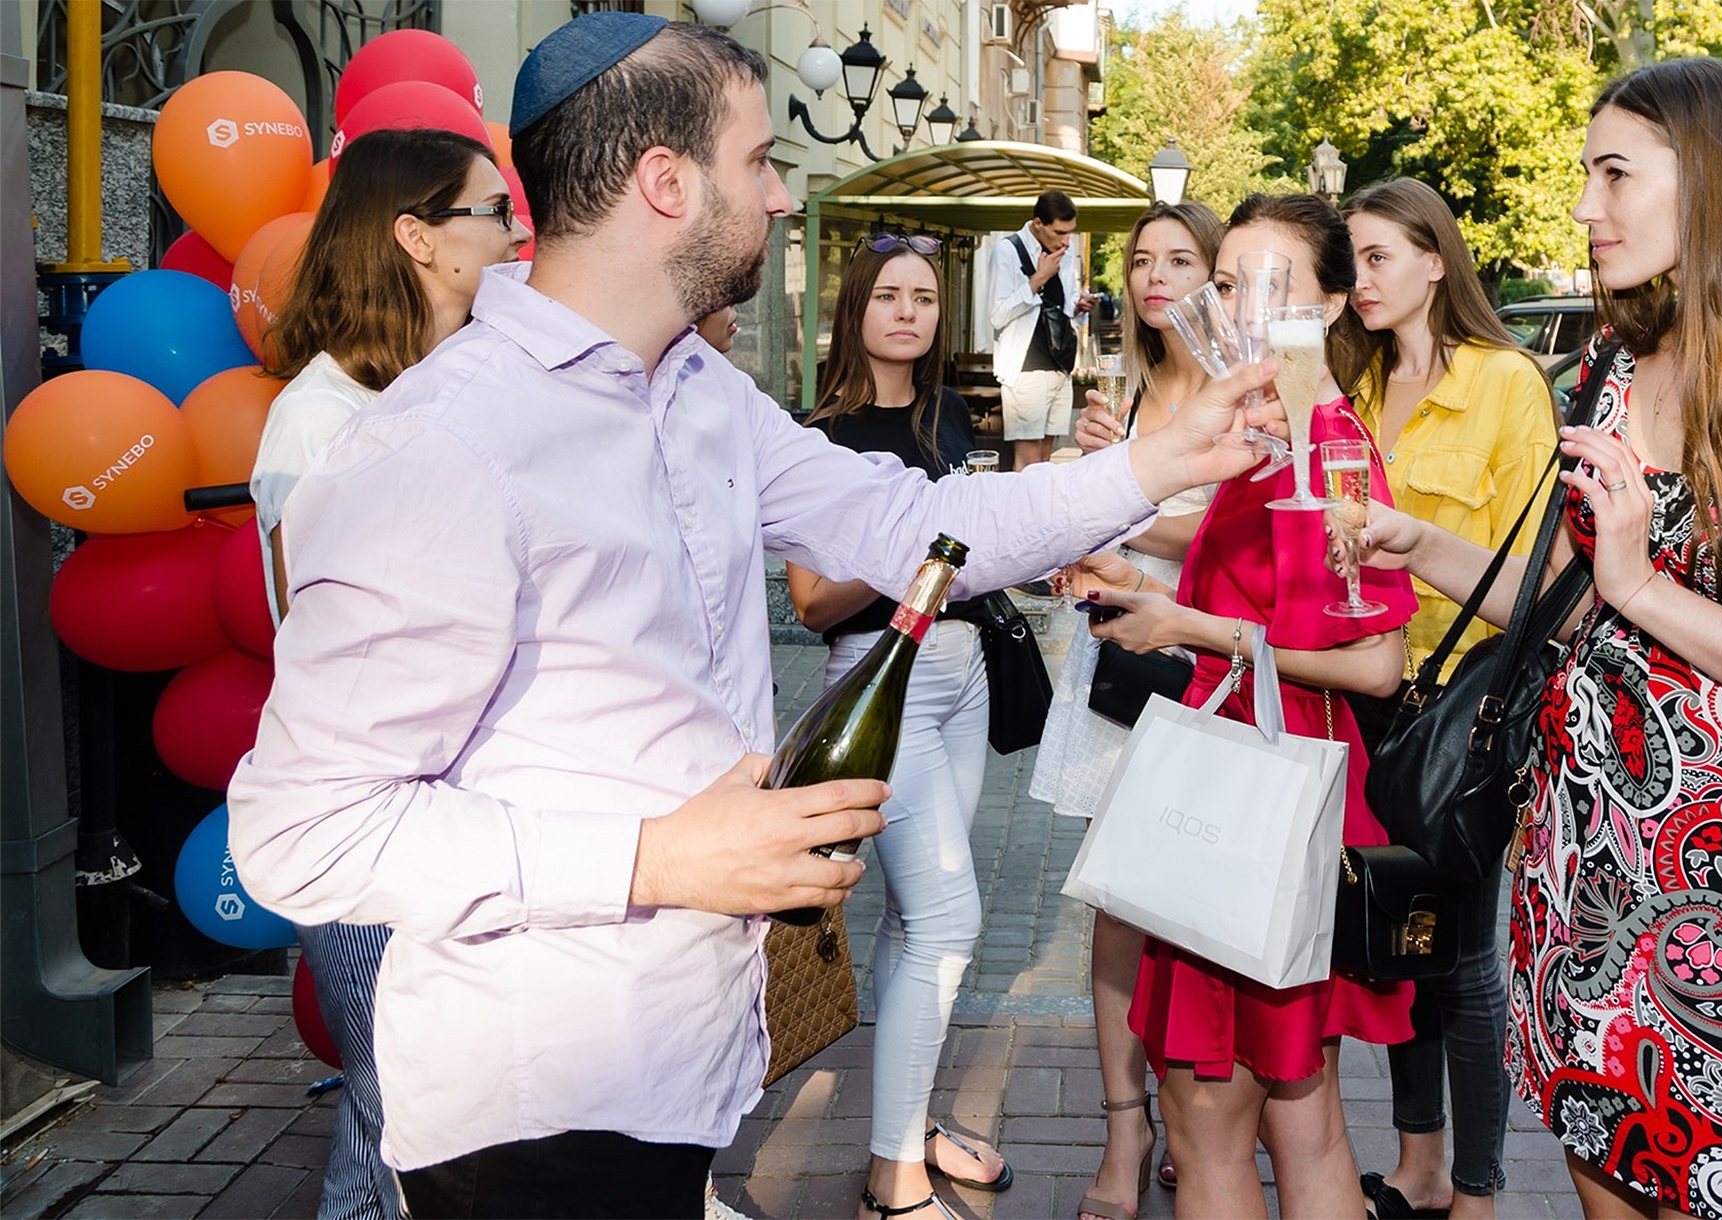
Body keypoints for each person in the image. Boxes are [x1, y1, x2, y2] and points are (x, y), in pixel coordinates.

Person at [224, 15, 1274, 1218]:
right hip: (535, 1102)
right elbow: (299, 831)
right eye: (760, 160)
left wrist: (1152, 463)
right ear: (664, 182)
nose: (780, 196)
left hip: (687, 1067)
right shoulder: (440, 442)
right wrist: (657, 856)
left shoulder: (701, 392)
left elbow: (914, 529)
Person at [1340, 58, 1722, 1219]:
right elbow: (1574, 606)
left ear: (1715, 183)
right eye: (1585, 175)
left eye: (1615, 174)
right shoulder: (1613, 367)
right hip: (1577, 890)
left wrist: (1642, 588)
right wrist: (1412, 542)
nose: (1585, 206)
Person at [1076, 192, 1416, 1220]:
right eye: (1229, 283)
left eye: (1268, 287)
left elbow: (1374, 663)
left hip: (1249, 804)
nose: (1234, 306)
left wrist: (1175, 625)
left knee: (1206, 1127)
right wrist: (1134, 556)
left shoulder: (1323, 438)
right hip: (1264, 782)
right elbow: (1259, 561)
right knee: (1304, 1124)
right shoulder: (1281, 426)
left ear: (1328, 306)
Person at [248, 126, 530, 1220]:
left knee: (428, 1121)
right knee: (398, 1122)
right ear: (417, 234)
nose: (515, 234)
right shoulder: (320, 418)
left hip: (472, 803)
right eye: (492, 211)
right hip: (372, 816)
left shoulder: (465, 386)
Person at [1336, 177, 1557, 1220]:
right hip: (1365, 687)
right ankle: (1417, 1162)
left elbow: (1542, 581)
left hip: (1464, 707)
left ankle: (1478, 1187)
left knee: (1463, 954)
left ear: (1436, 260)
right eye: (1354, 258)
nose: (1361, 277)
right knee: (1395, 934)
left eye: (1379, 255)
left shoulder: (1507, 383)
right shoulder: (1346, 382)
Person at [781, 234, 1012, 1220]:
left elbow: (980, 548)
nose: (910, 312)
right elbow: (811, 603)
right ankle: (891, 1173)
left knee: (920, 919)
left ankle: (906, 1123)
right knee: (951, 917)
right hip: (885, 684)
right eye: (890, 296)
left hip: (966, 678)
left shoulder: (949, 413)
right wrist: (907, 545)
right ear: (856, 310)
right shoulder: (820, 434)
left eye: (924, 297)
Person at [1030, 199, 1225, 1220]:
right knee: (1115, 907)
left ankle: (1200, 1124)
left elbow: (1244, 534)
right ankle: (1124, 1122)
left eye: (1178, 259)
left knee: (1193, 902)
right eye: (1143, 260)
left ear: (1215, 274)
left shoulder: (1247, 395)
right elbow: (1093, 520)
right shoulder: (1123, 394)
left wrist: (1138, 518)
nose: (1155, 277)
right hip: (1118, 659)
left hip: (1211, 663)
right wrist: (1092, 471)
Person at [989, 189, 1093, 472]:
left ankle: (1041, 517)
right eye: (1060, 232)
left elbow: (1060, 308)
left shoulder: (1064, 255)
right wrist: (1036, 280)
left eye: (1070, 232)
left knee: (1046, 460)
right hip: (1025, 369)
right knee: (1028, 462)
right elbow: (997, 315)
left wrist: (1078, 306)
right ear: (1038, 224)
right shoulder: (1008, 250)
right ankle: (1019, 517)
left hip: (1060, 367)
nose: (1066, 240)